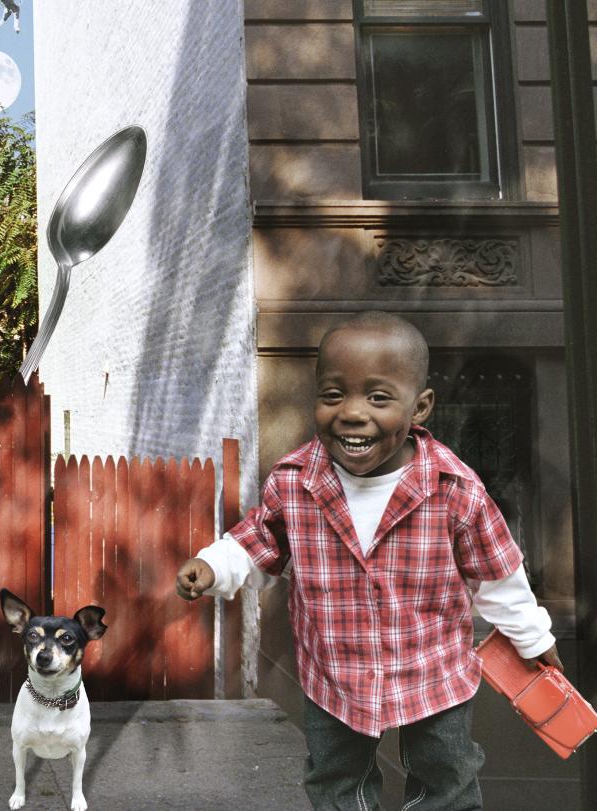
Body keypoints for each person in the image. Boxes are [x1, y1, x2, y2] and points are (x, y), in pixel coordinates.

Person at [175, 311, 560, 811]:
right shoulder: (295, 481)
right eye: (333, 395)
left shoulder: (454, 489)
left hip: (432, 670)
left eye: (379, 398)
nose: (353, 414)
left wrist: (532, 639)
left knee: (447, 778)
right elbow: (257, 538)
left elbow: (498, 573)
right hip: (335, 671)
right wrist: (212, 565)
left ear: (419, 407)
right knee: (336, 781)